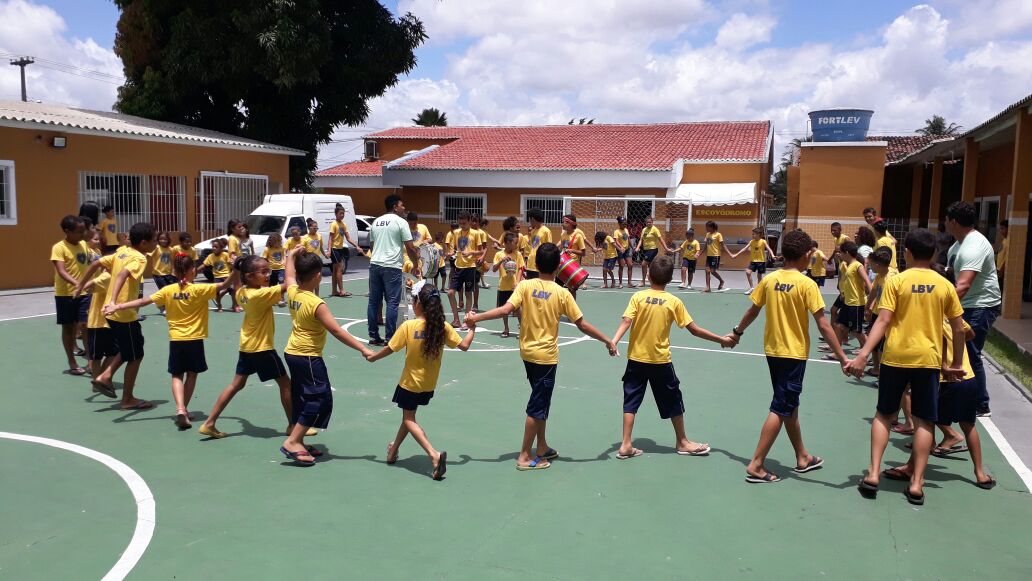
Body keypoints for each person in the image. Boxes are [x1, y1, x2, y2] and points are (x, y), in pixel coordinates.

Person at [466, 243, 618, 471]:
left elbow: (505, 310)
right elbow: (582, 324)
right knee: (537, 406)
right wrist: (607, 340)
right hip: (546, 358)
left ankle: (542, 446)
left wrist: (476, 318)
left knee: (541, 400)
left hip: (527, 353)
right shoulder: (562, 293)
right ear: (559, 267)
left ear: (535, 265)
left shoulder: (525, 286)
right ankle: (525, 456)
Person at [846, 229, 966, 505]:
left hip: (896, 357)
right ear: (935, 253)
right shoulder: (945, 285)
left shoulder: (897, 281)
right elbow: (959, 328)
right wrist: (956, 362)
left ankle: (874, 474)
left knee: (883, 415)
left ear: (907, 254)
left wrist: (864, 353)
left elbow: (883, 320)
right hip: (928, 360)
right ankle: (916, 484)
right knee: (925, 421)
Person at [729, 229, 847, 483]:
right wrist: (842, 356)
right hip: (793, 354)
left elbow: (753, 310)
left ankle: (802, 456)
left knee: (788, 403)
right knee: (781, 406)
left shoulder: (770, 280)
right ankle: (757, 465)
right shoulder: (807, 284)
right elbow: (824, 325)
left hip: (774, 352)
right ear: (807, 255)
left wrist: (737, 332)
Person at [610, 255, 732, 460]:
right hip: (660, 361)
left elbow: (626, 321)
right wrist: (721, 339)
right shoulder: (673, 301)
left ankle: (625, 444)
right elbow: (694, 330)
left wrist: (614, 341)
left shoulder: (637, 297)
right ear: (669, 279)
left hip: (636, 360)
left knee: (631, 400)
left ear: (648, 275)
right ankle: (682, 442)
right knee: (673, 399)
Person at [104, 254, 236, 429]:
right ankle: (184, 409)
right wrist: (236, 269)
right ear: (192, 271)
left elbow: (144, 301)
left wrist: (118, 306)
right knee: (192, 374)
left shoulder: (168, 290)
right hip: (194, 340)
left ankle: (180, 408)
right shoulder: (199, 290)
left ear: (174, 271)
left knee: (176, 375)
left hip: (176, 340)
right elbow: (224, 285)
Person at [198, 250, 313, 440]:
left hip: (246, 346)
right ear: (250, 276)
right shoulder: (261, 295)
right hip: (262, 348)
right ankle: (293, 425)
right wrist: (290, 258)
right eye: (264, 272)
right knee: (285, 384)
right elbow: (290, 283)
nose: (268, 275)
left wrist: (236, 269)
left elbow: (236, 282)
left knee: (236, 384)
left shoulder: (242, 292)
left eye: (269, 271)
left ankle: (209, 423)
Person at [367, 284, 477, 480]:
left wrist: (373, 357)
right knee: (408, 418)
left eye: (413, 300)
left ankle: (434, 455)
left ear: (419, 304)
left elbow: (390, 348)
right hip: (428, 385)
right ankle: (392, 451)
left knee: (409, 419)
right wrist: (472, 329)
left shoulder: (409, 327)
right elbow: (465, 346)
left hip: (409, 383)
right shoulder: (442, 327)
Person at [281, 252, 374, 466]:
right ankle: (293, 441)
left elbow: (289, 276)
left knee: (301, 397)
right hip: (308, 356)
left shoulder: (293, 292)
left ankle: (299, 440)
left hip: (292, 353)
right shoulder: (316, 303)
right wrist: (363, 348)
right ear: (316, 275)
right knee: (319, 398)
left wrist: (290, 256)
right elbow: (337, 331)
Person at [75, 222, 158, 410]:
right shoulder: (139, 258)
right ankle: (127, 399)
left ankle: (106, 376)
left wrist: (81, 285)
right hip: (123, 314)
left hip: (113, 313)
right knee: (136, 355)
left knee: (131, 348)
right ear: (144, 243)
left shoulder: (122, 252)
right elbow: (122, 274)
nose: (155, 244)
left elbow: (97, 263)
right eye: (153, 240)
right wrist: (114, 302)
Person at [944, 201, 1002, 418]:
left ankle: (980, 403)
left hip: (981, 305)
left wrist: (939, 306)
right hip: (966, 304)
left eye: (946, 219)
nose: (945, 223)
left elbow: (964, 285)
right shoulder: (959, 244)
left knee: (970, 352)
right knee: (961, 350)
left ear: (953, 222)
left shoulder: (973, 246)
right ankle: (965, 396)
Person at [367, 194, 420, 346]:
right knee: (392, 302)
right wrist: (416, 265)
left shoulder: (376, 222)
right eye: (402, 205)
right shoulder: (401, 222)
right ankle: (390, 337)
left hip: (375, 264)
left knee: (373, 302)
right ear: (395, 207)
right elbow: (410, 247)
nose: (404, 208)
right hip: (391, 266)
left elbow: (372, 245)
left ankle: (373, 336)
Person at [52, 215, 90, 376]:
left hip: (85, 293)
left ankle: (91, 361)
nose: (83, 234)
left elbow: (89, 265)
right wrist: (77, 284)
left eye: (84, 230)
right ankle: (72, 362)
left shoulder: (83, 244)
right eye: (79, 231)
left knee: (86, 325)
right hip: (65, 295)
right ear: (67, 231)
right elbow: (61, 271)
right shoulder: (59, 247)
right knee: (68, 328)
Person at [823, 241, 870, 360]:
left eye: (842, 253)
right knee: (838, 326)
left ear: (847, 253)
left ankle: (869, 350)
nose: (840, 255)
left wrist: (870, 303)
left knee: (857, 332)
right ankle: (837, 352)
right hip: (848, 302)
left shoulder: (857, 265)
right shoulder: (849, 265)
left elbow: (868, 283)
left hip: (856, 304)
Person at [446, 211, 481, 329]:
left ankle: (466, 320)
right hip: (458, 266)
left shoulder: (476, 234)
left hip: (470, 267)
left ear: (470, 221)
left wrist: (470, 252)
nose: (462, 225)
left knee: (468, 294)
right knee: (450, 293)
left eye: (464, 223)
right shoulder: (456, 233)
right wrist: (450, 254)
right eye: (460, 223)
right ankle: (456, 319)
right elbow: (455, 249)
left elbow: (480, 251)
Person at [863, 248, 894, 380]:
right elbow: (874, 292)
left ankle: (883, 376)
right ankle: (876, 369)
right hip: (877, 313)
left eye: (870, 264)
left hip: (885, 316)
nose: (869, 266)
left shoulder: (891, 278)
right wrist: (868, 307)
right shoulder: (879, 276)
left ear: (877, 264)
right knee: (874, 345)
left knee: (882, 348)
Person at [492, 232, 525, 337]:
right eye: (514, 243)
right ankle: (506, 328)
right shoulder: (499, 254)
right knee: (504, 310)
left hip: (514, 286)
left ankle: (522, 328)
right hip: (503, 286)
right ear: (507, 243)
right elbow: (494, 269)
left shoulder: (518, 254)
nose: (516, 245)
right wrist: (501, 261)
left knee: (517, 308)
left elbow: (521, 268)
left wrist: (518, 282)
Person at [733, 226, 776, 293]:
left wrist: (773, 255)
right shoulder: (751, 242)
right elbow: (745, 248)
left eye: (754, 234)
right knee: (748, 272)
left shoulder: (763, 241)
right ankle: (751, 288)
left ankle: (759, 290)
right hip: (753, 261)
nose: (752, 235)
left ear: (758, 234)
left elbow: (769, 249)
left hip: (761, 261)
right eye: (752, 234)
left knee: (759, 276)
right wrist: (736, 254)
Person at [330, 205, 360, 297]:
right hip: (334, 249)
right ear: (336, 214)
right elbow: (330, 238)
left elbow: (348, 238)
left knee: (335, 270)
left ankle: (334, 291)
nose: (342, 215)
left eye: (343, 213)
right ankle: (342, 290)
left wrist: (357, 246)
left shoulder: (343, 225)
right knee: (339, 268)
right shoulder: (334, 224)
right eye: (340, 213)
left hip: (340, 248)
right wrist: (329, 250)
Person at [634, 216, 671, 286]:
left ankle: (643, 281)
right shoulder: (644, 230)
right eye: (647, 222)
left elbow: (661, 239)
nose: (648, 223)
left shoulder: (655, 229)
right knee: (651, 266)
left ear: (652, 222)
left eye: (650, 222)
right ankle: (654, 281)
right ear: (645, 223)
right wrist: (638, 247)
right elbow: (641, 240)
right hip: (645, 250)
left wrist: (666, 248)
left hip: (653, 249)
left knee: (643, 264)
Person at [558, 214, 589, 297]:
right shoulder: (563, 235)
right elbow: (561, 248)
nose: (561, 224)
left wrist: (572, 250)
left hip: (572, 266)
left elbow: (583, 253)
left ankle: (572, 309)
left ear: (569, 224)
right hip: (562, 265)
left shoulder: (578, 236)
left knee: (572, 290)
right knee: (557, 288)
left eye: (563, 222)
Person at [203, 239, 234, 312]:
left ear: (221, 248)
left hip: (226, 275)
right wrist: (196, 270)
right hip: (217, 277)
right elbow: (204, 265)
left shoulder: (225, 255)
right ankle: (219, 306)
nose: (214, 248)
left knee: (232, 290)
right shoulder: (210, 256)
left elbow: (231, 264)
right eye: (213, 246)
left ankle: (234, 305)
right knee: (216, 292)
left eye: (216, 247)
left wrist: (235, 269)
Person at [702, 221, 731, 292]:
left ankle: (721, 281)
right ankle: (708, 287)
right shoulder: (707, 235)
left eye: (707, 227)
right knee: (707, 271)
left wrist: (730, 253)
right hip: (709, 256)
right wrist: (699, 253)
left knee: (712, 271)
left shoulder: (718, 235)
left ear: (712, 227)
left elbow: (723, 245)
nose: (706, 228)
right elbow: (705, 246)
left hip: (715, 255)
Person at [524, 208, 552, 280]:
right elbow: (532, 248)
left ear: (532, 219)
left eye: (529, 220)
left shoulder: (546, 231)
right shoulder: (533, 231)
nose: (529, 222)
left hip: (539, 265)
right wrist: (526, 261)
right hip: (530, 264)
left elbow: (549, 248)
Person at [262, 233, 287, 303]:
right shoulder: (267, 249)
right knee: (272, 284)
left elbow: (284, 256)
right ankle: (272, 298)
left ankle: (282, 298)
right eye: (277, 242)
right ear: (271, 242)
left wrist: (284, 263)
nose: (278, 243)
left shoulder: (282, 248)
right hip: (271, 270)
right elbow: (264, 259)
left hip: (281, 269)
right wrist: (266, 267)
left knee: (281, 282)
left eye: (279, 241)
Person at [614, 217, 634, 288]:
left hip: (627, 250)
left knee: (630, 265)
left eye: (625, 224)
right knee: (621, 266)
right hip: (620, 250)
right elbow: (616, 241)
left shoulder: (626, 230)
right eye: (623, 224)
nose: (625, 225)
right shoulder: (616, 231)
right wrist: (621, 247)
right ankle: (620, 283)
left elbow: (628, 239)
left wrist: (632, 247)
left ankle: (629, 283)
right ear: (619, 224)